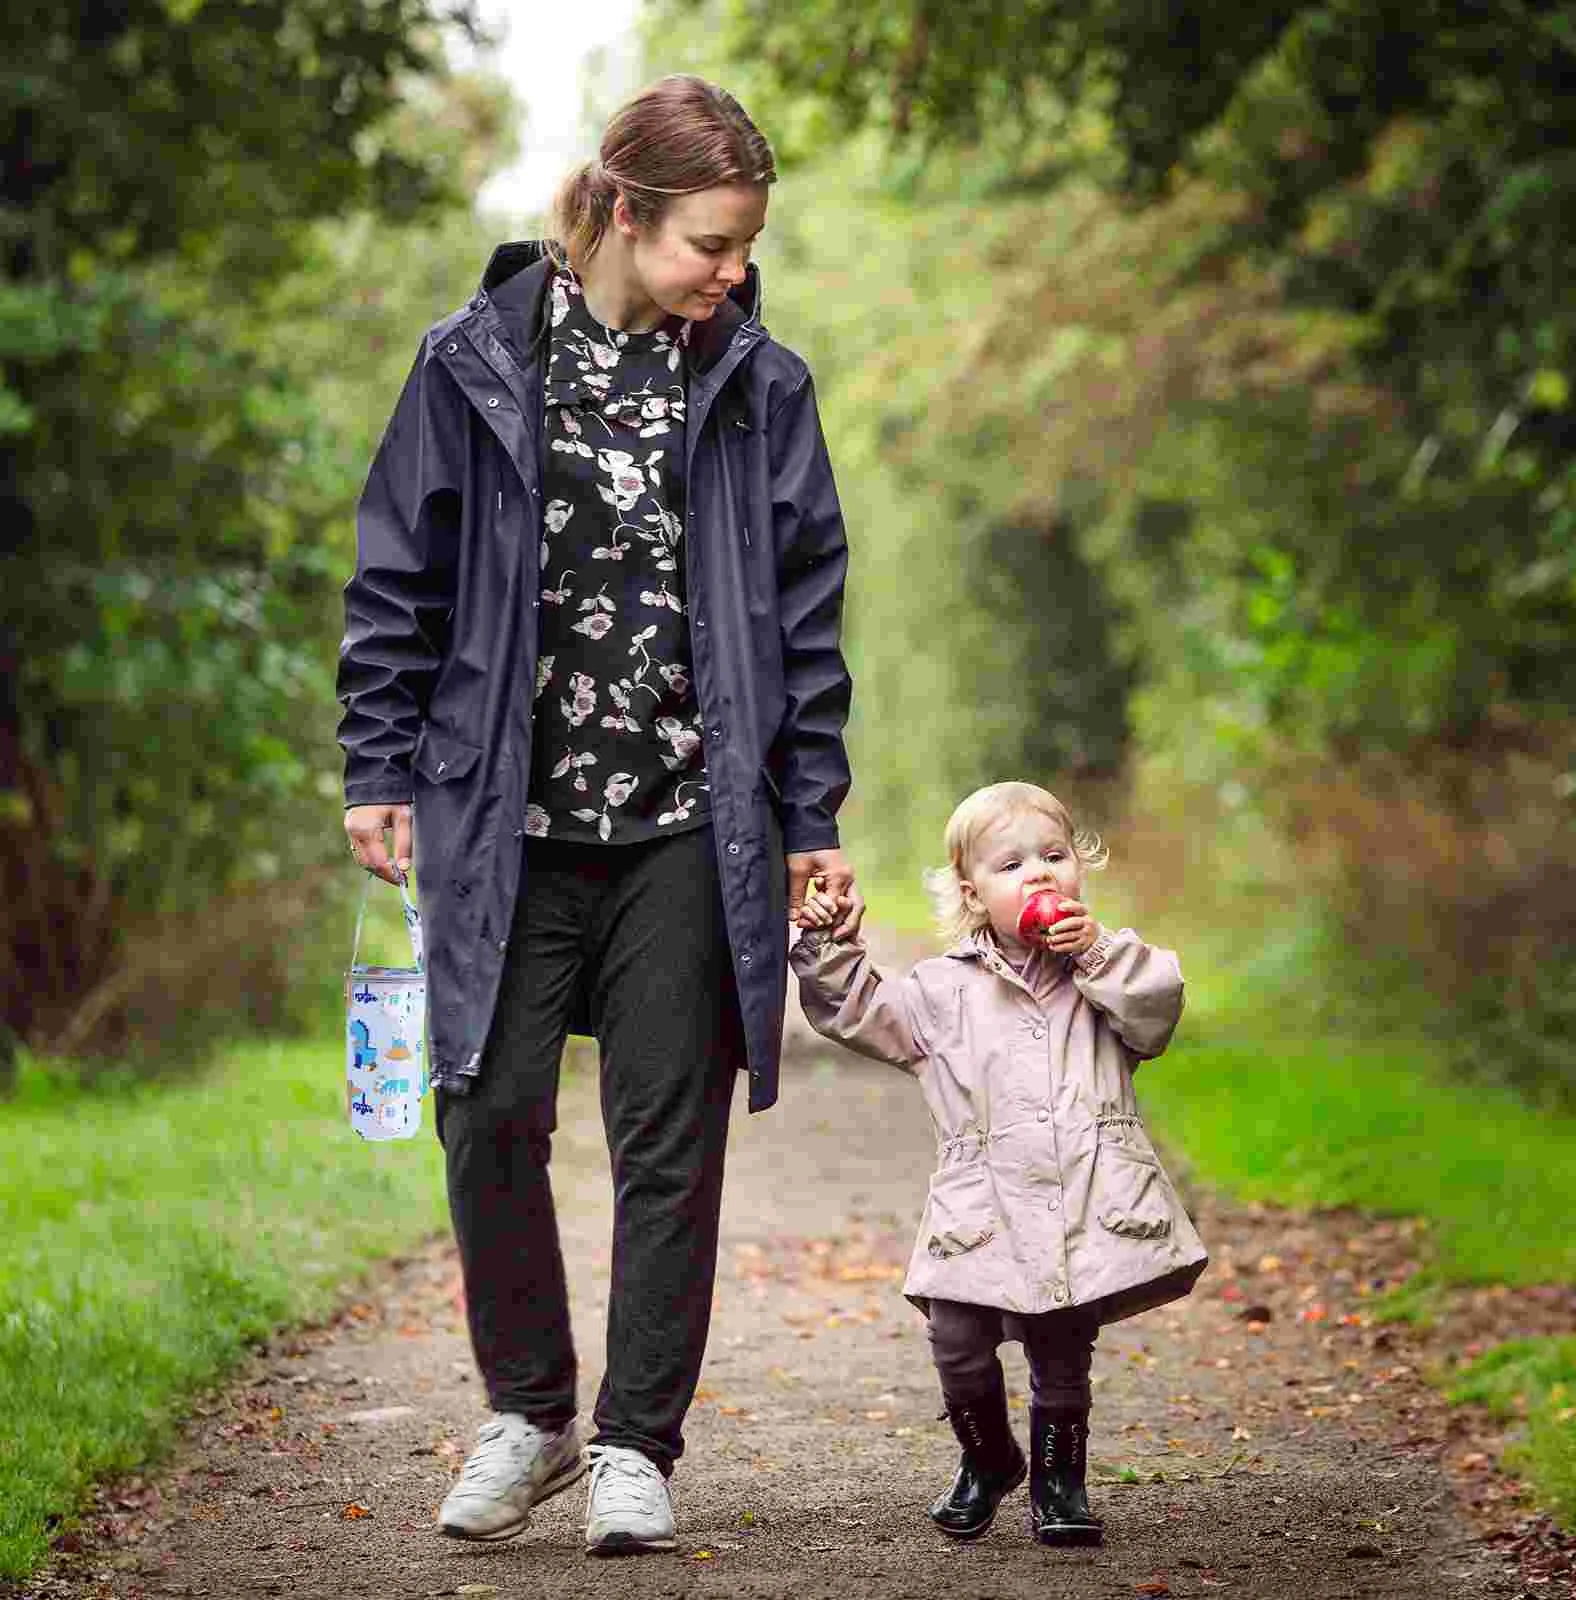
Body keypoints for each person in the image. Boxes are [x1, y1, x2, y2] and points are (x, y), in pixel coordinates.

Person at [337, 75, 860, 1557]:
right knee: (487, 1110)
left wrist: (810, 812)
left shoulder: (763, 389)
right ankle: (529, 1411)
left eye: (748, 244)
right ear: (625, 213)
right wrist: (379, 764)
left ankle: (636, 1443)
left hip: (694, 825)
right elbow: (396, 578)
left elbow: (808, 625)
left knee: (665, 1138)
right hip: (505, 816)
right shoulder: (471, 365)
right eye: (712, 241)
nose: (734, 271)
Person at [789, 781, 1206, 1546]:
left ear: (1080, 869)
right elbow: (859, 1011)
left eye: (1054, 856)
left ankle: (1060, 1483)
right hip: (978, 1206)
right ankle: (988, 1458)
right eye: (1011, 864)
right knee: (955, 1336)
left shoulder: (1106, 973)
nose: (1039, 875)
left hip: (1082, 1196)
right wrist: (825, 946)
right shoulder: (943, 988)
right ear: (972, 893)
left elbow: (1159, 1007)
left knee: (1061, 1345)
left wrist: (1097, 953)